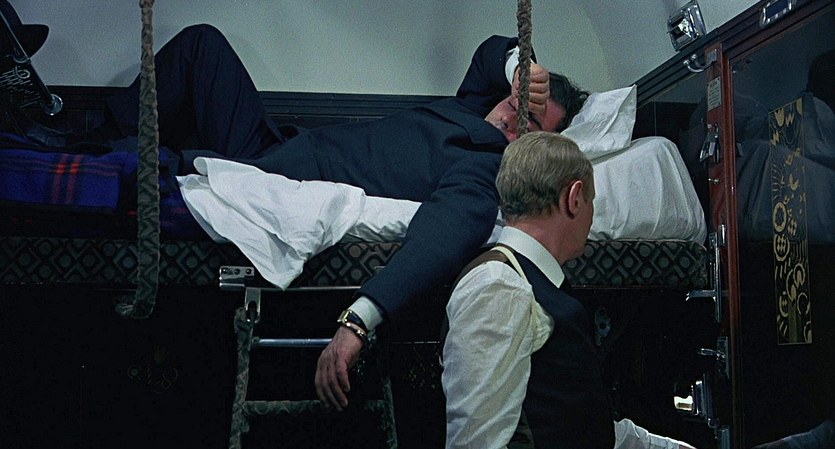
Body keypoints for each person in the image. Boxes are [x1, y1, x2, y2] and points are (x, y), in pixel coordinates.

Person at [8, 18, 588, 410]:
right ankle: (64, 127)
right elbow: (489, 54)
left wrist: (359, 320)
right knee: (202, 46)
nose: (513, 117)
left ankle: (49, 145)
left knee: (148, 166)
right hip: (280, 142)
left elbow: (443, 235)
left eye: (530, 124)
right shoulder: (474, 109)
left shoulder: (484, 168)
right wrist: (520, 66)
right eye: (518, 103)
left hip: (275, 174)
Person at [442, 131, 695, 449]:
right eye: (591, 200)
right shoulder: (499, 285)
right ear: (574, 198)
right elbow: (476, 443)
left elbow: (578, 421)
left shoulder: (531, 283)